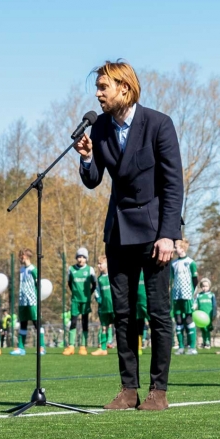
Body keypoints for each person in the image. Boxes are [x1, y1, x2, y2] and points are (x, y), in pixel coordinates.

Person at [75, 59, 184, 411]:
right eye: (97, 88)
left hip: (155, 234)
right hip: (118, 231)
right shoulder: (102, 127)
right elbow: (93, 181)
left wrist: (169, 234)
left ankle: (158, 391)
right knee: (123, 313)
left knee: (157, 312)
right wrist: (87, 159)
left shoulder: (158, 124)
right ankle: (127, 390)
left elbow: (173, 185)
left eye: (103, 87)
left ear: (124, 88)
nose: (98, 94)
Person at [64, 248, 98, 356]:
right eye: (79, 256)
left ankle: (83, 346)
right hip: (75, 300)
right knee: (73, 322)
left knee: (84, 322)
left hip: (85, 300)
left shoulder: (90, 270)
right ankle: (71, 346)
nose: (81, 259)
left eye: (83, 257)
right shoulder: (71, 269)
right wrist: (75, 292)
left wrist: (89, 294)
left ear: (86, 259)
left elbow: (94, 284)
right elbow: (69, 283)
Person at [12, 249, 44, 356]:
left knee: (37, 323)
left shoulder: (33, 270)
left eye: (21, 256)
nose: (20, 258)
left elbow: (39, 284)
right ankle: (21, 348)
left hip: (32, 300)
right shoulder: (21, 269)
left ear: (25, 256)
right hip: (23, 301)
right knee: (23, 324)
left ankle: (41, 347)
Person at [170, 240, 199, 355]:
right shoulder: (173, 263)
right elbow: (172, 279)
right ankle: (181, 347)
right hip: (177, 295)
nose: (174, 248)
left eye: (175, 247)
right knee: (178, 320)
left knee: (188, 319)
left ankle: (192, 347)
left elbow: (195, 280)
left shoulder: (190, 262)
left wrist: (193, 295)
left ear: (182, 248)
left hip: (187, 295)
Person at [93, 254, 113, 356]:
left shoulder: (113, 277)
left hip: (114, 308)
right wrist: (99, 300)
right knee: (104, 327)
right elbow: (97, 292)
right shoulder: (99, 279)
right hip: (104, 308)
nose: (99, 266)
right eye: (98, 264)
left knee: (120, 327)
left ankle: (124, 346)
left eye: (101, 264)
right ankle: (103, 348)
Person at [194, 278, 216, 349]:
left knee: (207, 329)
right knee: (203, 329)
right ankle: (204, 342)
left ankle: (207, 342)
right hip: (201, 316)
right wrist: (193, 308)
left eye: (206, 286)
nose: (204, 288)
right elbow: (195, 303)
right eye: (203, 286)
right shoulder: (199, 295)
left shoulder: (211, 295)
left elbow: (214, 305)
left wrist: (214, 314)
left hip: (208, 315)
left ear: (209, 286)